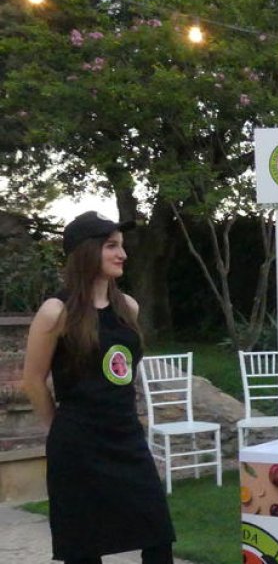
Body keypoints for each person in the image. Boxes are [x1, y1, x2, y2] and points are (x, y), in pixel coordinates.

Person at [22, 211, 176, 564]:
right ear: (86, 252)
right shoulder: (55, 312)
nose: (122, 254)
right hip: (78, 444)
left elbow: (124, 375)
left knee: (157, 535)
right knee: (83, 547)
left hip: (126, 438)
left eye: (121, 246)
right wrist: (57, 428)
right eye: (111, 246)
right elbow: (32, 381)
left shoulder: (129, 308)